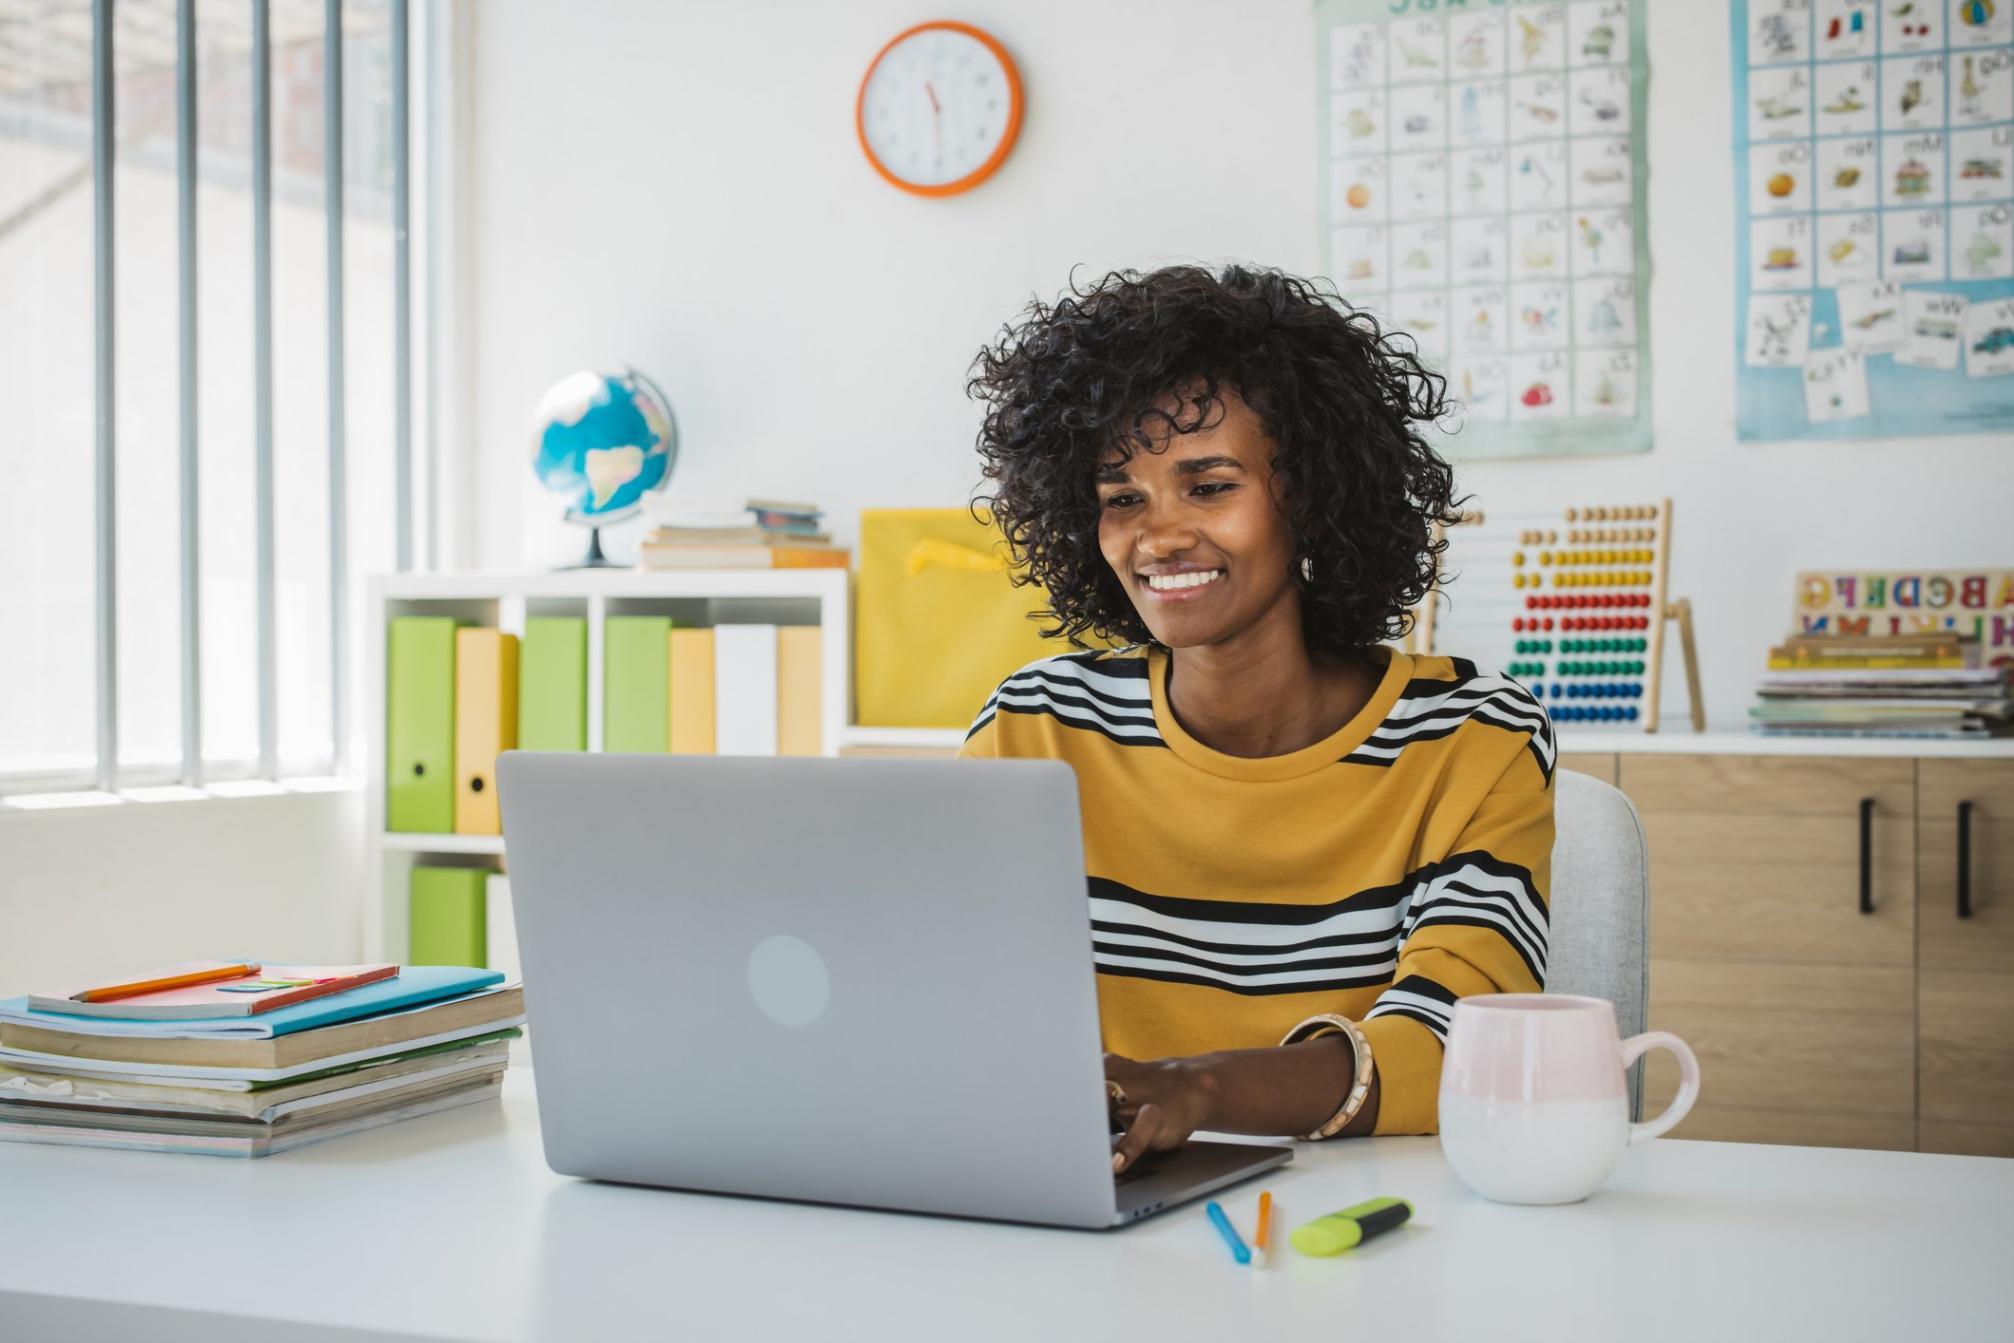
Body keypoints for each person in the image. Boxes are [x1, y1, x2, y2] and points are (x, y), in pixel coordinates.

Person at [960, 264, 1554, 1173]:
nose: (1157, 537)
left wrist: (1196, 1089)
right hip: (1091, 1215)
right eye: (1123, 497)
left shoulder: (1470, 738)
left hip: (1369, 1241)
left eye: (1208, 486)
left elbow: (1459, 1045)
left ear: (1310, 499)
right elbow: (953, 1007)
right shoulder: (1036, 728)